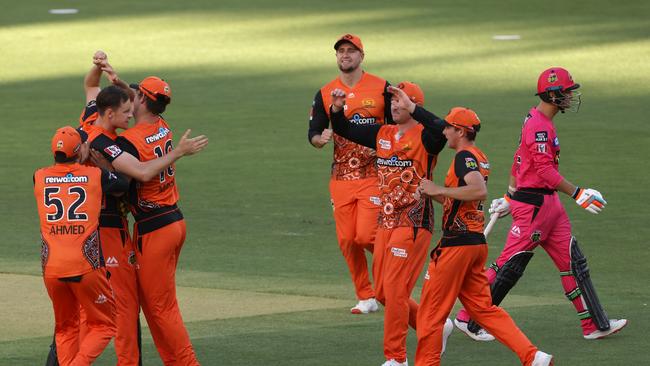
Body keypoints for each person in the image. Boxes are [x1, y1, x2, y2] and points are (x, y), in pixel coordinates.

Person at [454, 67, 627, 341]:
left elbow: (519, 157)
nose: (571, 96)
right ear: (553, 94)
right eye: (567, 91)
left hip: (548, 206)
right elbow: (544, 170)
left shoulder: (536, 120)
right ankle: (469, 319)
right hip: (535, 208)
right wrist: (578, 193)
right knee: (509, 266)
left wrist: (511, 195)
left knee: (573, 263)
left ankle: (594, 325)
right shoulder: (538, 126)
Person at [414, 107, 554, 366]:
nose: (444, 131)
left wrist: (438, 187)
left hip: (455, 247)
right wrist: (432, 193)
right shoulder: (478, 156)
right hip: (474, 246)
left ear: (460, 131)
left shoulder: (463, 157)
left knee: (430, 314)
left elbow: (478, 191)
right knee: (484, 310)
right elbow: (458, 199)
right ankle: (533, 356)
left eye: (448, 127)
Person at [330, 82, 452, 366]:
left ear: (413, 104)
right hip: (385, 223)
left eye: (401, 102)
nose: (394, 106)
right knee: (384, 293)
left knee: (396, 290)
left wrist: (416, 110)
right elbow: (345, 129)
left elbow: (443, 128)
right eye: (392, 101)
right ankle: (432, 327)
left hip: (412, 223)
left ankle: (396, 358)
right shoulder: (383, 133)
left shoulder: (427, 137)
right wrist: (336, 110)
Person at [115, 76, 205, 365]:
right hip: (173, 221)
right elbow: (136, 92)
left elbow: (135, 174)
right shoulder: (162, 127)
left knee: (161, 307)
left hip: (154, 228)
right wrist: (115, 76)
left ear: (141, 98)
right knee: (155, 306)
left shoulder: (129, 141)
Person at [308, 34, 393, 314]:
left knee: (366, 236)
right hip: (341, 178)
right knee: (346, 240)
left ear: (361, 56)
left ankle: (393, 266)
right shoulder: (324, 92)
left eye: (351, 51)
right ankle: (366, 295)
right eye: (341, 51)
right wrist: (319, 139)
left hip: (374, 174)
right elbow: (314, 131)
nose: (345, 55)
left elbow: (397, 127)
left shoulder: (382, 88)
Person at [34, 126, 129, 365]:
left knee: (65, 329)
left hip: (52, 269)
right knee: (105, 325)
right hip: (85, 265)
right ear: (81, 150)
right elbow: (122, 184)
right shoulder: (95, 175)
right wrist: (102, 165)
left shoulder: (39, 176)